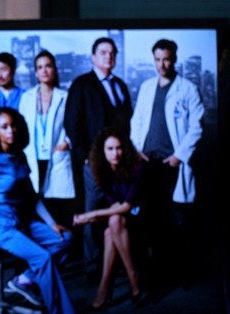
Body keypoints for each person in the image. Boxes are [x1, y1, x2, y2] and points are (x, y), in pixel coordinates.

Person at [0, 107, 74, 314]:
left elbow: (32, 196)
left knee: (64, 239)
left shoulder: (19, 155)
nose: (10, 130)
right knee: (43, 258)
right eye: (4, 127)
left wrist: (51, 223)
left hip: (20, 221)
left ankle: (23, 280)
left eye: (13, 125)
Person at [130, 39, 204, 291]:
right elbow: (137, 120)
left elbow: (197, 127)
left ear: (174, 59)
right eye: (158, 59)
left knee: (177, 220)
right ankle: (155, 276)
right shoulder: (147, 86)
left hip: (172, 164)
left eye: (167, 59)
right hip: (148, 163)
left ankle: (182, 274)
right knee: (151, 221)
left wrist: (178, 156)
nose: (162, 64)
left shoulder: (188, 88)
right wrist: (137, 148)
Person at [64, 37, 133, 281]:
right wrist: (85, 157)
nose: (109, 57)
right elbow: (71, 123)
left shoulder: (120, 86)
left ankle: (117, 263)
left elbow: (128, 124)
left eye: (112, 53)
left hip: (119, 161)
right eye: (103, 53)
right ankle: (93, 267)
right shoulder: (82, 84)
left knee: (117, 212)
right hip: (92, 163)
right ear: (93, 57)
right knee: (92, 213)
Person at [73, 127, 145, 310]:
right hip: (119, 218)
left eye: (119, 148)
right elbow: (115, 206)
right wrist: (94, 217)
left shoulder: (136, 167)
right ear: (102, 151)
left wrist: (91, 215)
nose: (115, 153)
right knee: (112, 225)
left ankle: (107, 287)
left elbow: (128, 205)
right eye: (110, 149)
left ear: (125, 149)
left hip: (141, 215)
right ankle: (132, 282)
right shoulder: (101, 170)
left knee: (113, 225)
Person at [18, 50, 76, 229]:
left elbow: (74, 124)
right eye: (40, 67)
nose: (44, 71)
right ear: (35, 72)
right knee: (35, 201)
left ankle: (63, 245)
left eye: (48, 66)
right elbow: (20, 127)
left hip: (57, 156)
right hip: (32, 156)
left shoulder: (65, 96)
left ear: (55, 70)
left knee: (57, 203)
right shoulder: (26, 97)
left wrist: (67, 143)